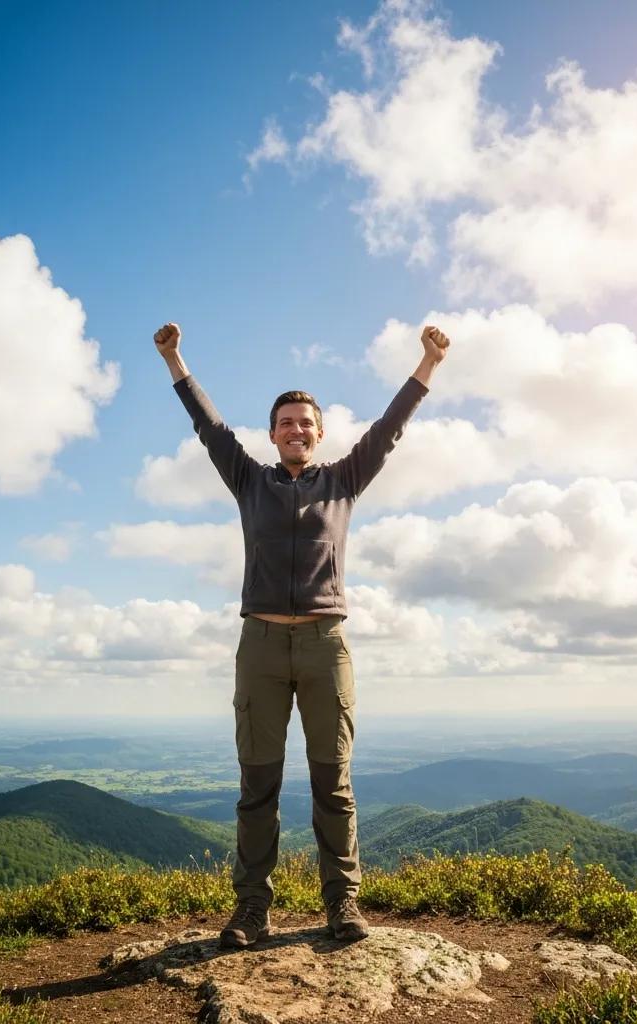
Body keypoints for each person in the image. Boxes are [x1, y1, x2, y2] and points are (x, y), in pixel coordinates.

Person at [153, 320, 449, 947]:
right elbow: (210, 430)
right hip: (259, 646)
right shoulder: (249, 481)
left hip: (324, 646)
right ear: (272, 434)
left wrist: (427, 366)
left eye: (305, 422)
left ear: (319, 434)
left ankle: (343, 906)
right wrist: (176, 361)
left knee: (331, 784)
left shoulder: (342, 481)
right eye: (285, 422)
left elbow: (389, 430)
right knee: (256, 786)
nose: (295, 430)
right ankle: (251, 911)